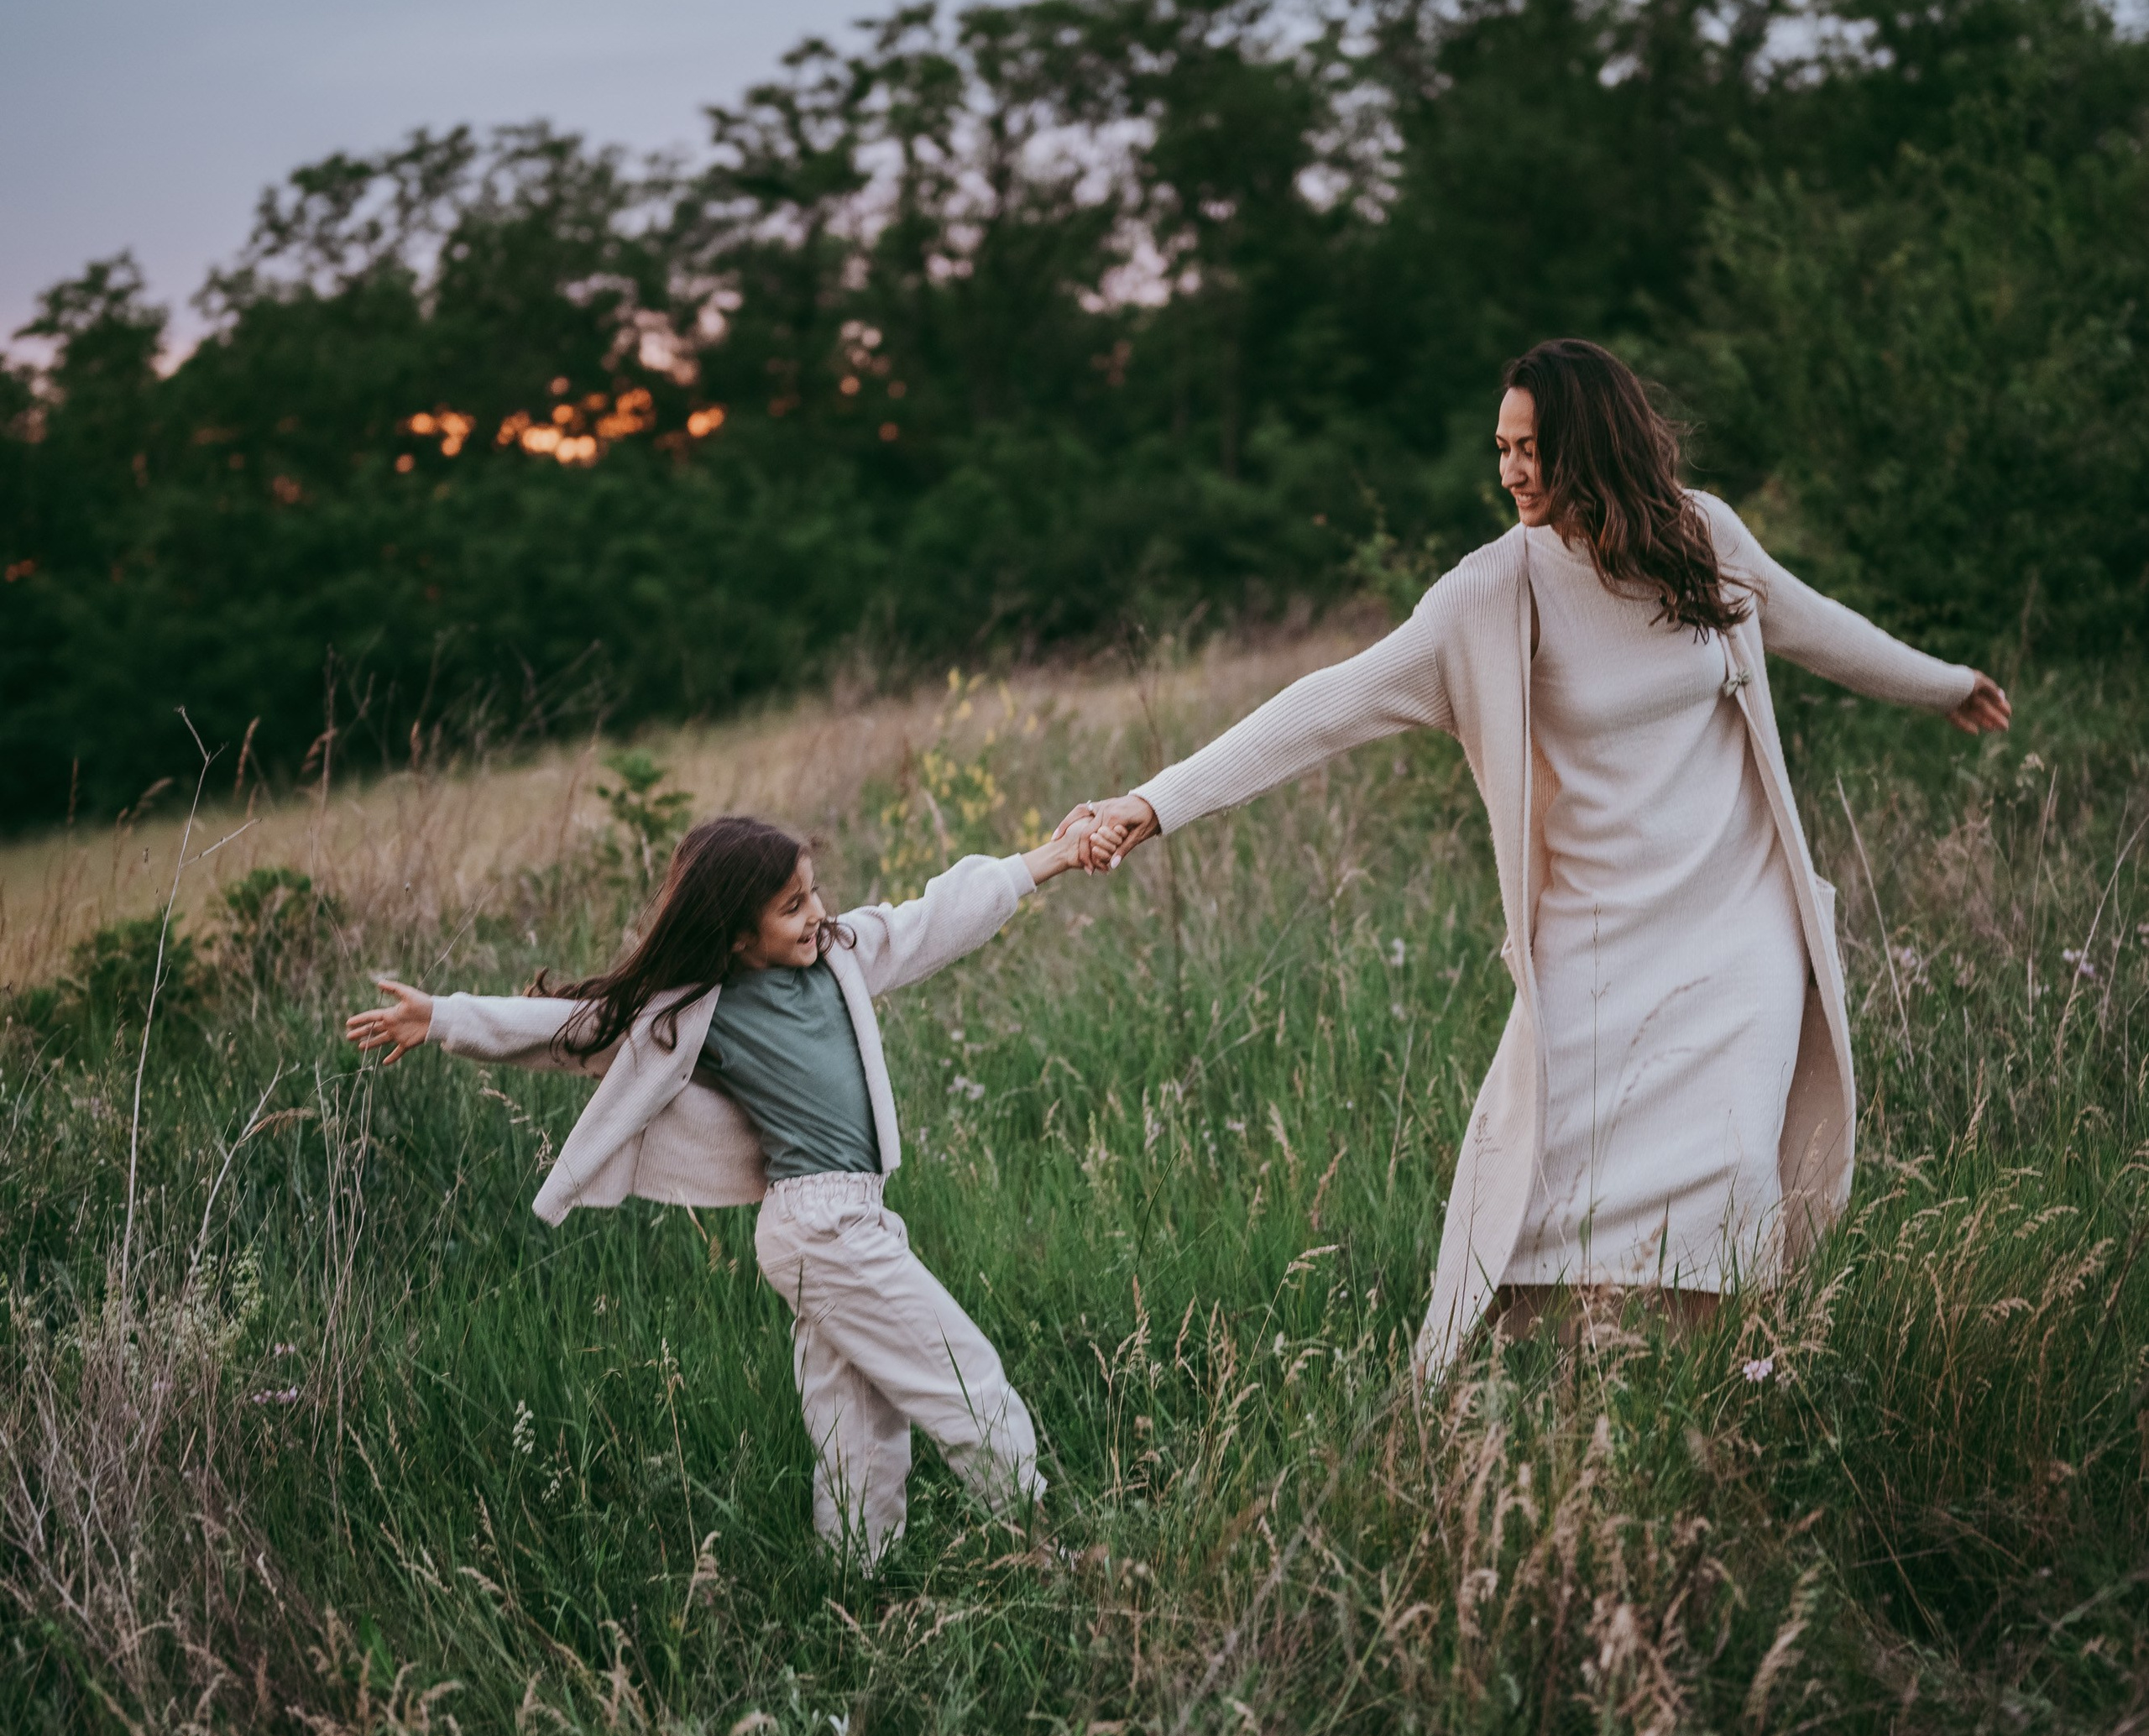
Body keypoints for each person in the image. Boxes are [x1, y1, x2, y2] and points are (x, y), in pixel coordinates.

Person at [1079, 339, 2010, 1383]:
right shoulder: (1490, 593)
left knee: (1735, 1164)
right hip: (1598, 932)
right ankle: (1555, 1392)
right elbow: (1327, 704)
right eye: (1501, 448)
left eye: (1531, 448)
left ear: (1591, 444)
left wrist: (1942, 682)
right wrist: (1156, 801)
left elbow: (1811, 623)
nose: (1511, 471)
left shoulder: (1703, 539)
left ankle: (1714, 1390)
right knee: (1542, 1184)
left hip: (1735, 917)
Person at [347, 810, 1097, 1563]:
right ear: (738, 936)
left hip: (844, 1223)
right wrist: (442, 1018)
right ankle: (1047, 1554)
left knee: (857, 1420)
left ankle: (857, 1580)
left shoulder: (842, 957)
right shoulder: (700, 1010)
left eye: (814, 892)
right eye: (792, 907)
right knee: (964, 1377)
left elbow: (937, 916)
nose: (817, 914)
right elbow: (572, 1027)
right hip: (819, 1225)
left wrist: (1053, 857)